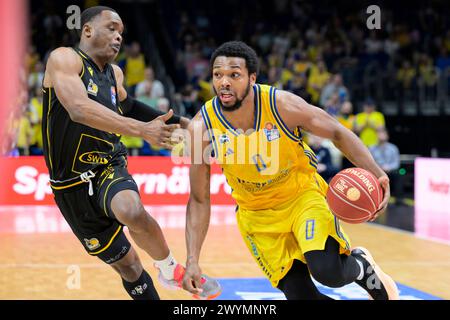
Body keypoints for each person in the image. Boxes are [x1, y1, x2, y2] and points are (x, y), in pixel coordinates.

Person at [182, 41, 399, 300]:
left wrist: (376, 172)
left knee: (329, 272)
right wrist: (192, 259)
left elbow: (337, 132)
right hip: (256, 215)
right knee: (300, 297)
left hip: (301, 197)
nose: (224, 82)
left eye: (234, 74)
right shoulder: (201, 127)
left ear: (252, 78)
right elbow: (198, 198)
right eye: (218, 75)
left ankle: (361, 265)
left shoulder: (281, 105)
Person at [42, 6, 218, 300]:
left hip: (108, 164)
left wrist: (183, 123)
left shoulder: (115, 74)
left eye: (121, 32)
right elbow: (78, 108)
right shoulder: (64, 59)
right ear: (87, 30)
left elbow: (128, 105)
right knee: (130, 267)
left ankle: (169, 268)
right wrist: (141, 130)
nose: (118, 37)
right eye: (111, 28)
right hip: (69, 185)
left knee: (130, 209)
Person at [369, 128, 403, 203]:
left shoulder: (393, 148)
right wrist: (379, 168)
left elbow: (396, 163)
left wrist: (389, 167)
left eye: (383, 133)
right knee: (370, 176)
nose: (381, 135)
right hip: (377, 171)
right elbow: (370, 162)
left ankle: (399, 200)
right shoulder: (371, 148)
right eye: (379, 134)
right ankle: (374, 200)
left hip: (390, 170)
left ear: (387, 136)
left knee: (399, 174)